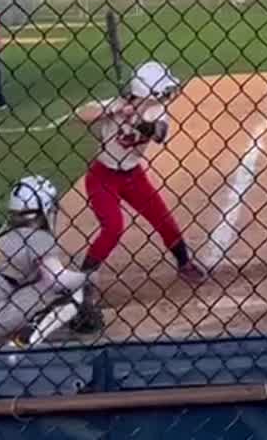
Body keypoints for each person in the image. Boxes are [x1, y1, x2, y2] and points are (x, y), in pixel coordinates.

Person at [69, 61, 205, 334]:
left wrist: (140, 122)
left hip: (133, 176)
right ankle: (84, 278)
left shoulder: (157, 110)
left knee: (163, 219)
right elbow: (80, 114)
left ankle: (183, 262)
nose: (167, 96)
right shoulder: (117, 103)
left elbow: (158, 134)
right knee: (113, 227)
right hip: (102, 176)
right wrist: (116, 110)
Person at [0, 176, 90, 350]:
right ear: (45, 208)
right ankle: (21, 344)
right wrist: (87, 277)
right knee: (70, 292)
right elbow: (58, 280)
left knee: (17, 283)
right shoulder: (38, 237)